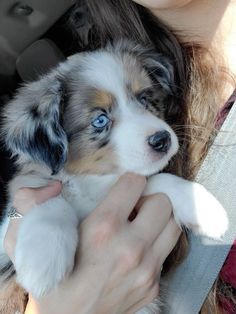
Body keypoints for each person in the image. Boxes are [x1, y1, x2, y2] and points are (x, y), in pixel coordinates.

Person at [3, 0, 236, 313]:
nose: (151, 128)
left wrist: (168, 188)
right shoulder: (42, 200)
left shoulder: (139, 63)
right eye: (100, 120)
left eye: (144, 99)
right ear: (52, 141)